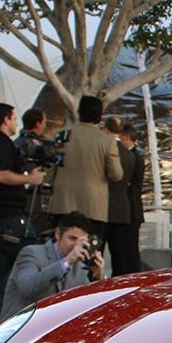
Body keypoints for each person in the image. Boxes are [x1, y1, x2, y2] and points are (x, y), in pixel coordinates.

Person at [0, 102, 47, 319]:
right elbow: (0, 174)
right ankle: (15, 308)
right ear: (6, 120)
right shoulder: (1, 145)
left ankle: (0, 311)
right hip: (8, 215)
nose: (16, 122)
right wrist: (30, 178)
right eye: (14, 118)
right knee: (32, 257)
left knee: (4, 267)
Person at [48, 95, 122, 250]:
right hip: (93, 207)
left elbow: (50, 169)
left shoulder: (61, 136)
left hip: (62, 204)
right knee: (90, 256)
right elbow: (116, 174)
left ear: (79, 111)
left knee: (58, 253)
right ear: (99, 116)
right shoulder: (106, 141)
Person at [0, 211, 103, 319]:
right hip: (20, 328)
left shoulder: (80, 269)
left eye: (81, 241)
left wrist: (98, 278)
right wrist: (66, 262)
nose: (76, 245)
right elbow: (28, 287)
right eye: (72, 238)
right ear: (58, 234)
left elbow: (90, 307)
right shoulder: (31, 253)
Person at [104, 118, 145, 275]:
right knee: (125, 250)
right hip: (127, 210)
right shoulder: (131, 155)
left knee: (130, 250)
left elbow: (136, 186)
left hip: (132, 210)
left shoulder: (135, 157)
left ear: (126, 137)